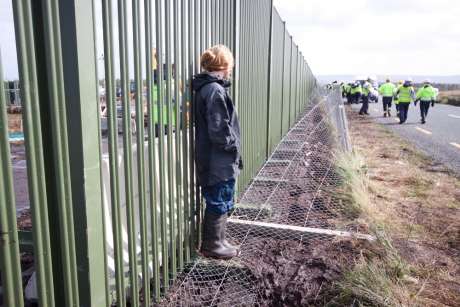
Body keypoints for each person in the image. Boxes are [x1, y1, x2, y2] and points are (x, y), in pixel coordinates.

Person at [192, 45, 242, 260]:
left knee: (222, 197)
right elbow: (219, 129)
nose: (230, 69)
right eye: (229, 65)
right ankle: (212, 245)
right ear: (224, 66)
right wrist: (233, 146)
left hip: (215, 158)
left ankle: (219, 241)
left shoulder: (209, 88)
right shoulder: (215, 90)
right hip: (217, 160)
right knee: (218, 199)